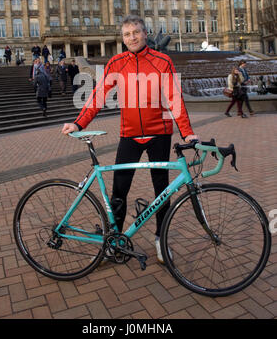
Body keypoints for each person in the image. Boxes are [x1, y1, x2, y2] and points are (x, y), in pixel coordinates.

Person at [62, 15, 199, 264]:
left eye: (136, 32)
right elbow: (98, 97)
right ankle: (113, 241)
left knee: (162, 192)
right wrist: (79, 122)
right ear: (122, 39)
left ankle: (160, 239)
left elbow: (174, 99)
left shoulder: (162, 61)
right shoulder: (116, 63)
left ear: (145, 34)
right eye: (127, 34)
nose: (132, 37)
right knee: (118, 192)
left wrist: (187, 132)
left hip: (159, 135)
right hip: (130, 135)